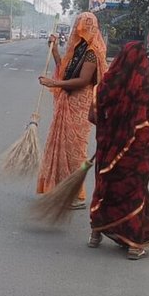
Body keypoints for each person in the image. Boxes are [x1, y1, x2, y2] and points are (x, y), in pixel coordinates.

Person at [86, 41, 149, 259]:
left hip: (109, 147)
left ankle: (95, 234)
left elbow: (93, 116)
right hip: (137, 146)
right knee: (134, 190)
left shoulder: (106, 84)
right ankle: (134, 245)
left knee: (106, 187)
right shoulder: (147, 85)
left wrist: (113, 128)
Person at [36, 12, 108, 208]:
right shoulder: (79, 47)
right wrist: (54, 50)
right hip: (68, 100)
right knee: (62, 148)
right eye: (79, 25)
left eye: (82, 26)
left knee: (75, 151)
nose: (79, 29)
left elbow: (83, 80)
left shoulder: (92, 51)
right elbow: (65, 70)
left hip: (81, 104)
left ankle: (73, 194)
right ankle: (59, 190)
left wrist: (54, 83)